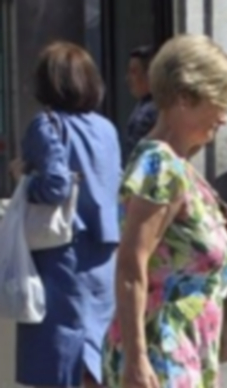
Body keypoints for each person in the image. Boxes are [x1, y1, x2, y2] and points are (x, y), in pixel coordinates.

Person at [102, 34, 227, 387]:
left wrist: (221, 228)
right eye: (220, 101)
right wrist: (137, 359)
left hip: (180, 345)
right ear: (185, 97)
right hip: (161, 349)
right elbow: (130, 267)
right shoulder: (161, 165)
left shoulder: (176, 163)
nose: (225, 117)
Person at [9, 41, 121, 388]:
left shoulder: (46, 125)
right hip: (105, 252)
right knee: (98, 339)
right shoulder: (106, 128)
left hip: (62, 250)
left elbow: (56, 186)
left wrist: (24, 181)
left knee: (61, 341)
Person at [122, 45, 158, 163]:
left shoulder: (150, 111)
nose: (128, 78)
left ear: (150, 74)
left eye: (134, 72)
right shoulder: (144, 105)